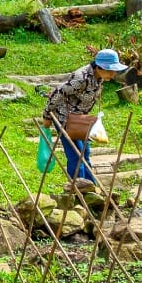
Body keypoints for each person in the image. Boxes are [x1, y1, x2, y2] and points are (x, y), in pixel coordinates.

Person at [41, 49, 128, 189]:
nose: (113, 74)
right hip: (65, 119)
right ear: (99, 67)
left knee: (85, 153)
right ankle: (77, 189)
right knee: (76, 155)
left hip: (80, 119)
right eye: (110, 71)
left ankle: (90, 187)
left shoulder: (99, 77)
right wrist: (46, 116)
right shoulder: (81, 78)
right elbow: (58, 93)